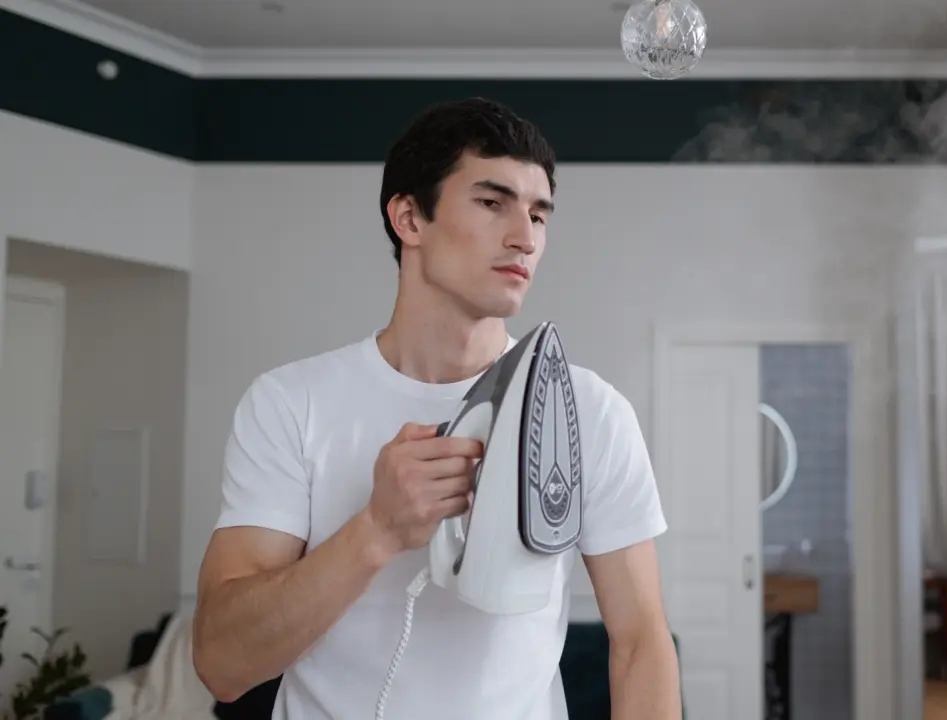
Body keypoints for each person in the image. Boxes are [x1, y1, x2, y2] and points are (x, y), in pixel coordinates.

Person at [191, 98, 681, 719]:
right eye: (492, 203)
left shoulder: (587, 412)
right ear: (408, 218)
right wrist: (378, 529)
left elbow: (640, 644)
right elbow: (222, 664)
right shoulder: (290, 405)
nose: (525, 237)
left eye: (538, 214)